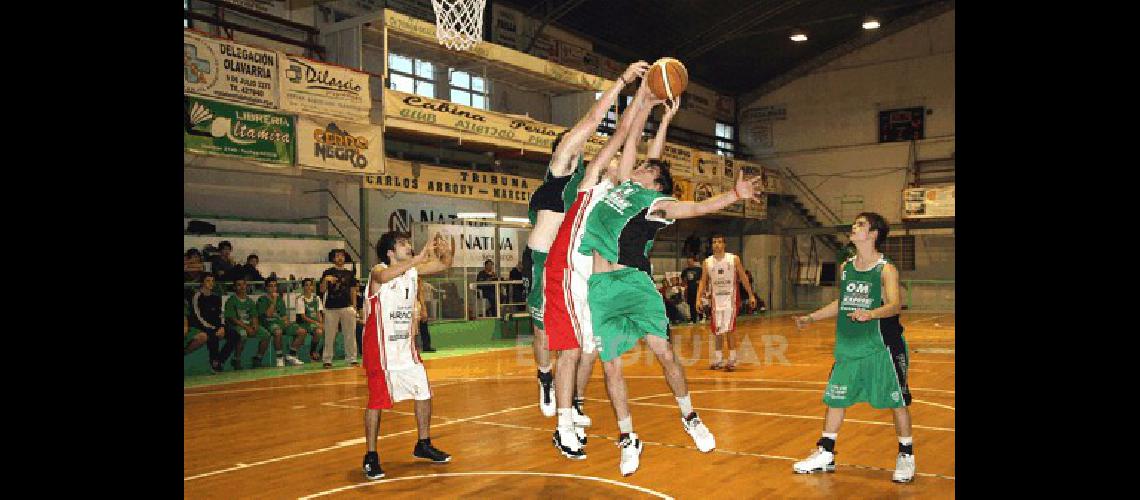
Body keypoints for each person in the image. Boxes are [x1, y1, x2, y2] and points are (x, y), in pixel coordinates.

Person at [574, 76, 767, 475]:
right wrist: (660, 117)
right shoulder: (625, 186)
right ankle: (628, 437)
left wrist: (734, 195)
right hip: (601, 288)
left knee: (664, 354)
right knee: (610, 366)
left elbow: (692, 209)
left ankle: (690, 416)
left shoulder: (657, 202)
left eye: (647, 167)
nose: (640, 163)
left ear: (655, 182)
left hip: (635, 285)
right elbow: (644, 151)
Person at [523, 60, 649, 421]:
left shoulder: (586, 178)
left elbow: (623, 139)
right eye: (571, 138)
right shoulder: (559, 166)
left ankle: (573, 401)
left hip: (573, 263)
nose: (575, 141)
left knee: (582, 343)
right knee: (543, 333)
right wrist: (623, 81)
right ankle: (544, 376)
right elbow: (594, 121)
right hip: (541, 257)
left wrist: (642, 98)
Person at [792, 212, 914, 483]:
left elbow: (895, 305)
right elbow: (842, 302)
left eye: (860, 225)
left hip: (881, 346)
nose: (854, 227)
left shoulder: (886, 269)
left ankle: (906, 455)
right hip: (848, 347)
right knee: (836, 398)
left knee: (897, 402)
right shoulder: (847, 266)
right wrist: (811, 317)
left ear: (873, 235)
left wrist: (870, 314)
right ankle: (826, 452)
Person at [360, 231, 455, 480]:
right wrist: (418, 258)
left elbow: (444, 264)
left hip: (406, 349)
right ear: (390, 252)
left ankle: (423, 443)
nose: (409, 246)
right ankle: (371, 455)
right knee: (377, 402)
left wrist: (447, 249)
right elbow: (385, 275)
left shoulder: (412, 271)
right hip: (380, 350)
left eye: (408, 243)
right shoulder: (378, 272)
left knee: (424, 392)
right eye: (403, 244)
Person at [695, 234, 757, 372]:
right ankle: (718, 358)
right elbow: (703, 282)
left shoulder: (733, 259)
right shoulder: (707, 262)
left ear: (724, 244)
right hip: (716, 301)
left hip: (731, 299)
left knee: (729, 329)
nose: (716, 244)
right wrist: (698, 298)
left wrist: (751, 295)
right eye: (714, 242)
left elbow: (743, 277)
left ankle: (732, 358)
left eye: (719, 242)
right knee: (717, 330)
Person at [188, 273, 238, 373]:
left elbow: (221, 314)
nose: (211, 283)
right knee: (213, 336)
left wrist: (222, 327)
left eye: (212, 281)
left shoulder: (216, 297)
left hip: (217, 325)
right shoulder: (197, 296)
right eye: (208, 281)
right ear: (202, 282)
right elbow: (197, 315)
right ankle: (214, 363)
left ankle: (219, 360)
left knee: (235, 335)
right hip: (202, 325)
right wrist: (211, 327)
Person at [320, 249, 359, 368]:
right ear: (333, 259)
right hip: (331, 307)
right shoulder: (327, 272)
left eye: (342, 256)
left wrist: (354, 307)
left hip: (347, 307)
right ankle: (327, 359)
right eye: (337, 256)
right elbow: (321, 290)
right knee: (330, 335)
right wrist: (325, 280)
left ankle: (352, 358)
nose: (340, 258)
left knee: (350, 334)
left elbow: (353, 290)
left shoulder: (349, 274)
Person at [258, 277, 305, 367]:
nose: (273, 288)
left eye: (275, 286)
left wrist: (287, 321)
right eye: (270, 286)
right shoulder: (262, 299)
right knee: (278, 332)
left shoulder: (280, 299)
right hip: (269, 323)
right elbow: (268, 314)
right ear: (266, 288)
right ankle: (279, 358)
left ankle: (291, 355)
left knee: (301, 331)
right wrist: (274, 300)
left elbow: (283, 315)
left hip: (280, 323)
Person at [225, 277, 269, 369]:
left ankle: (258, 359)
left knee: (266, 335)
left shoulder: (250, 301)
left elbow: (254, 315)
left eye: (243, 284)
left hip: (249, 325)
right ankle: (236, 359)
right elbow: (233, 319)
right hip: (236, 326)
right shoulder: (231, 300)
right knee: (243, 335)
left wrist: (255, 325)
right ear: (234, 287)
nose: (242, 287)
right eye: (238, 285)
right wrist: (247, 327)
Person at [291, 278, 325, 362]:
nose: (309, 287)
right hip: (304, 323)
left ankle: (322, 353)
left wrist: (321, 323)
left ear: (313, 287)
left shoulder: (316, 298)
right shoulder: (300, 299)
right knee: (319, 331)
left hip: (314, 323)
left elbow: (318, 313)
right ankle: (312, 352)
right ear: (303, 287)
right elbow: (303, 317)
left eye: (310, 285)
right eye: (306, 285)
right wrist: (317, 324)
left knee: (330, 330)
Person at [681, 255, 703, 323]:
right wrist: (685, 284)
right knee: (691, 305)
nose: (689, 263)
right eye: (688, 262)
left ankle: (701, 317)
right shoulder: (685, 270)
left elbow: (704, 277)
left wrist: (700, 281)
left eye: (690, 261)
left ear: (693, 261)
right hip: (690, 290)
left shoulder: (699, 269)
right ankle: (693, 319)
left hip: (697, 290)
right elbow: (683, 278)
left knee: (698, 304)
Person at [417, 279, 436, 352]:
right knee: (418, 327)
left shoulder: (418, 280)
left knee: (423, 325)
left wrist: (423, 308)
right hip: (415, 305)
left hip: (417, 305)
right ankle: (425, 346)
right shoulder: (417, 280)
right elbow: (420, 294)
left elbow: (420, 294)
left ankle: (426, 346)